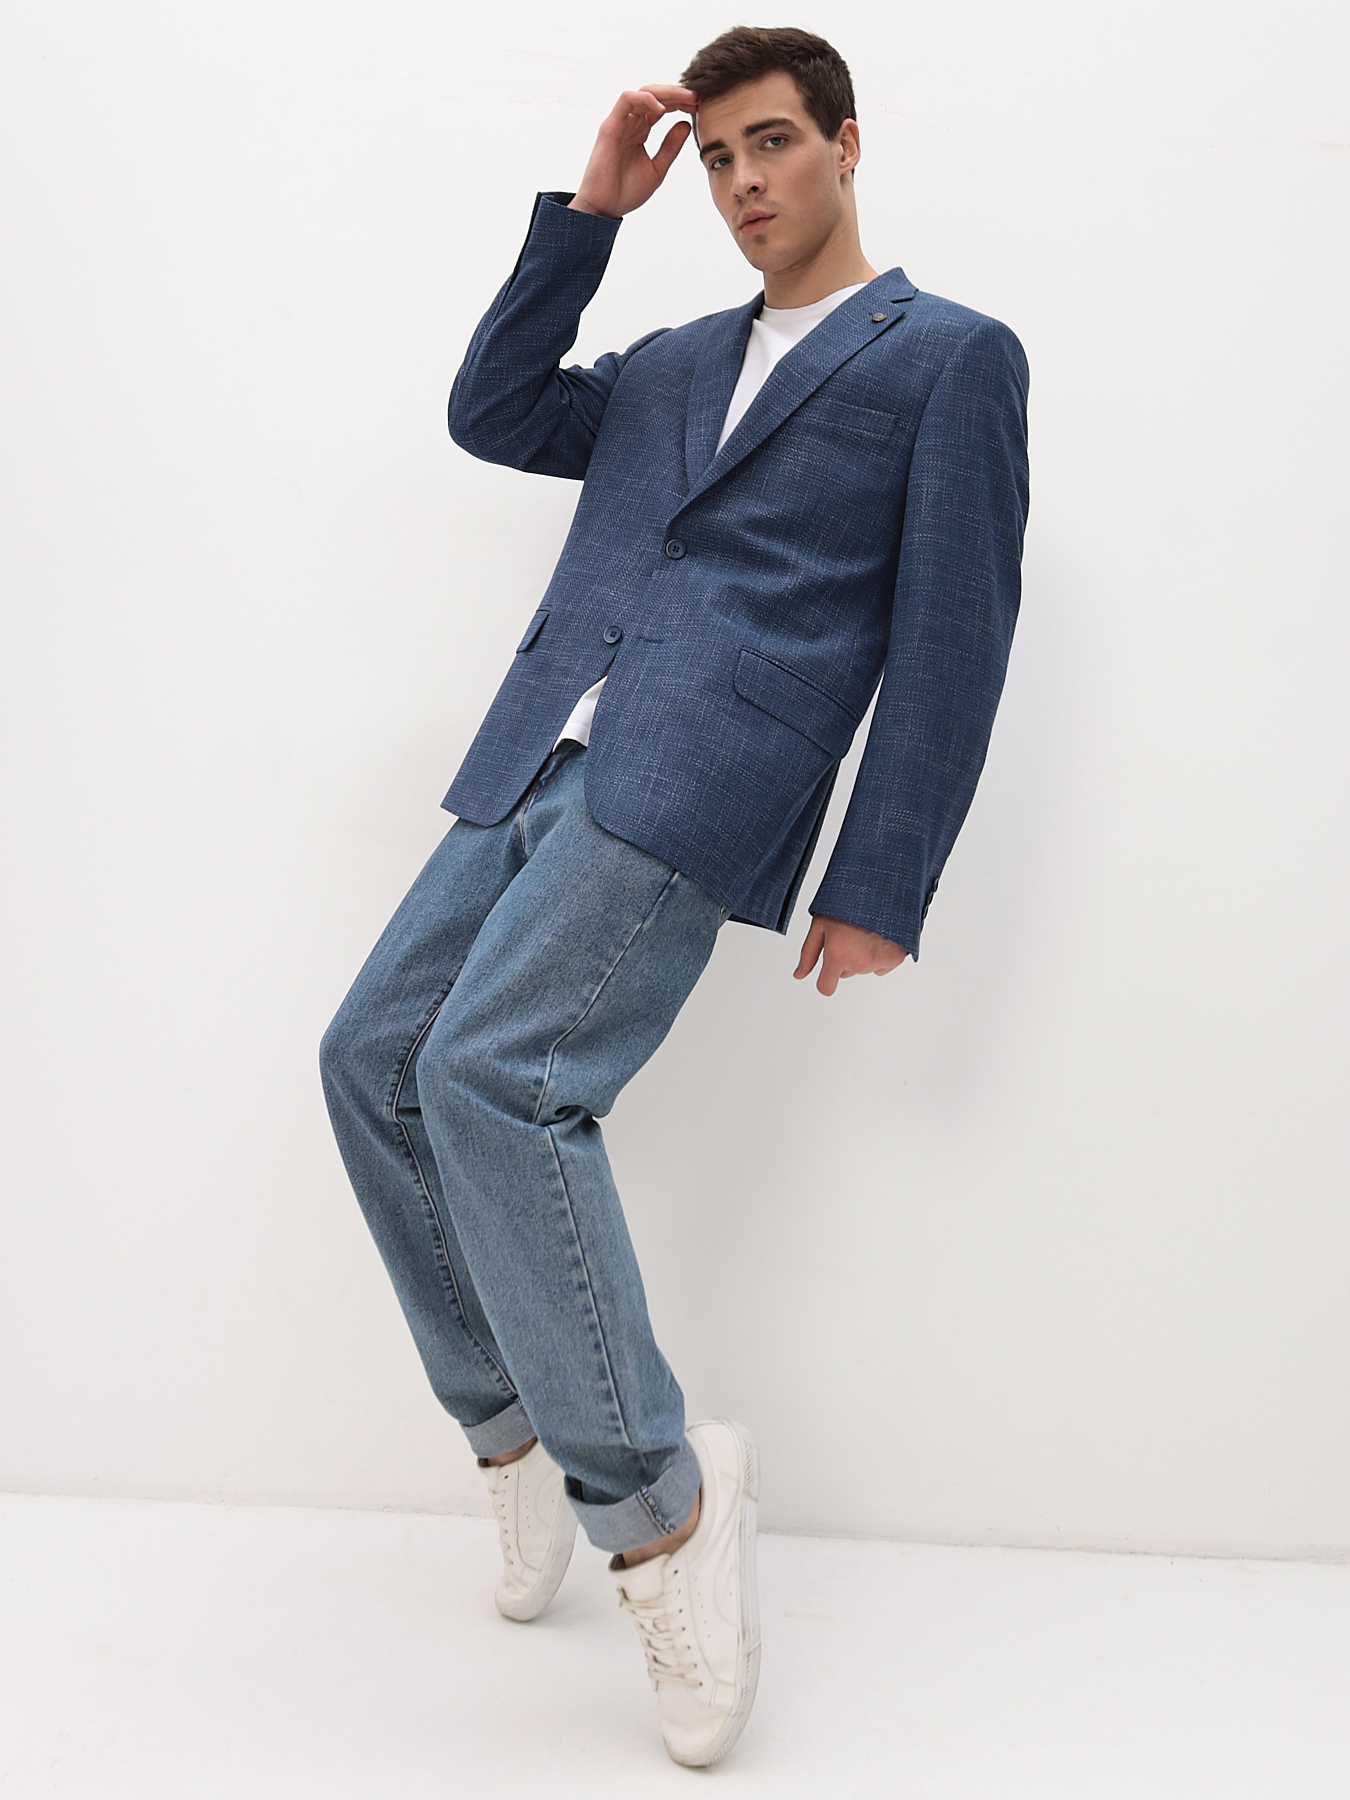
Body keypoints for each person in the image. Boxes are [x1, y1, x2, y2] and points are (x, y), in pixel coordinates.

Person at [320, 24, 1029, 1768]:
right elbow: (493, 412)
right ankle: (512, 1430)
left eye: (769, 143)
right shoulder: (667, 360)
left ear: (845, 143)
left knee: (497, 1079)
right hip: (540, 751)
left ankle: (660, 1511)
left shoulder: (950, 357)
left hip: (707, 775)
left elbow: (954, 633)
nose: (740, 182)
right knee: (371, 1061)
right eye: (716, 157)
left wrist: (880, 877)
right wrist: (592, 212)